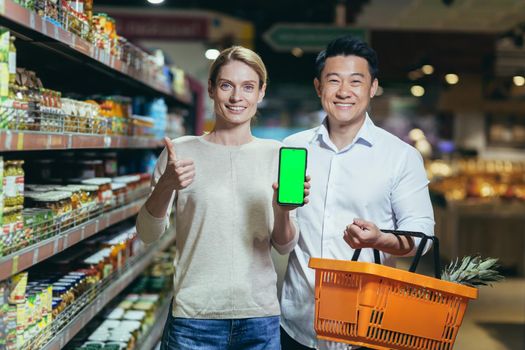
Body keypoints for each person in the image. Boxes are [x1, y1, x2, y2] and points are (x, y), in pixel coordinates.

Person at [136, 46, 309, 349]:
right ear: (212, 89)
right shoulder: (180, 152)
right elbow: (147, 234)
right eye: (227, 85)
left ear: (261, 93)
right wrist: (165, 186)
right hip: (194, 319)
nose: (236, 97)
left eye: (248, 87)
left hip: (259, 318)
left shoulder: (277, 155)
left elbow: (283, 245)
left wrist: (283, 210)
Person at [279, 35, 435, 350]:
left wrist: (380, 240)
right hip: (296, 325)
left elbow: (422, 237)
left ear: (373, 87)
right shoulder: (293, 149)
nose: (344, 92)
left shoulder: (400, 157)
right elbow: (281, 240)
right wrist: (278, 209)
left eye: (356, 81)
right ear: (318, 87)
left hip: (367, 328)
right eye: (333, 80)